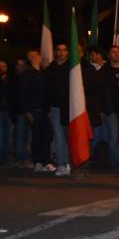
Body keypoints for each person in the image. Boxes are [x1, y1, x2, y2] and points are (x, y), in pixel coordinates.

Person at [43, 42, 70, 175]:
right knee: (59, 136)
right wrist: (47, 108)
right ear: (55, 52)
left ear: (68, 52)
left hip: (71, 108)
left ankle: (69, 162)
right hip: (55, 108)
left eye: (64, 50)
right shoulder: (49, 70)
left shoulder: (73, 69)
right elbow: (45, 91)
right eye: (58, 50)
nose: (61, 52)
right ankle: (62, 164)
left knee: (69, 136)